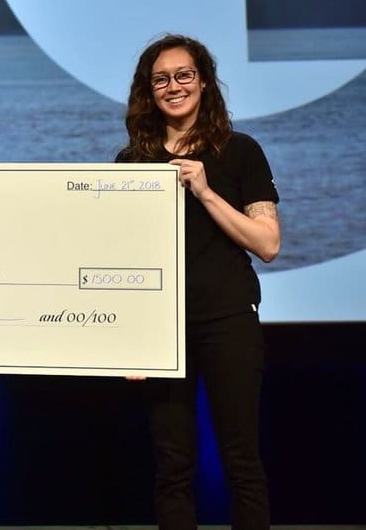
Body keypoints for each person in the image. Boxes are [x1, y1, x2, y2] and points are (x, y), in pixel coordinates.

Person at [117, 34, 280, 529]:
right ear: (150, 90)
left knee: (241, 463)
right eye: (161, 79)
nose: (174, 87)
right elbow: (122, 260)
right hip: (163, 334)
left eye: (184, 75)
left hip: (229, 322)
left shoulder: (241, 151)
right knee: (172, 468)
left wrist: (206, 192)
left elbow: (268, 244)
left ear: (204, 81)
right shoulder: (130, 164)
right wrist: (129, 342)